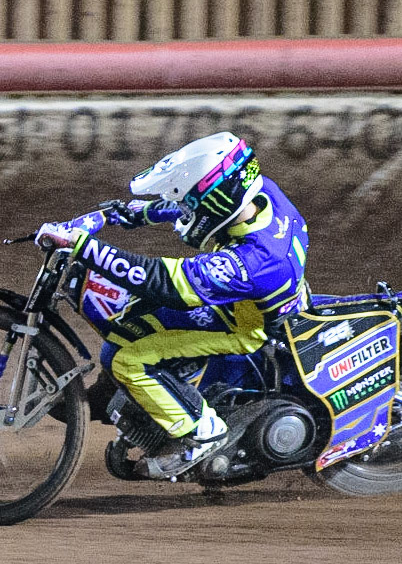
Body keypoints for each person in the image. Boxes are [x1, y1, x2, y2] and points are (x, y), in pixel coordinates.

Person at [35, 132, 309, 479]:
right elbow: (186, 205)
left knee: (126, 358)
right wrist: (119, 214)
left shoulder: (254, 259)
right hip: (253, 301)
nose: (185, 213)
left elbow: (163, 282)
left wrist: (83, 246)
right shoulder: (259, 193)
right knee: (129, 321)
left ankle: (201, 431)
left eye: (191, 207)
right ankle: (127, 396)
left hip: (243, 328)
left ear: (217, 204)